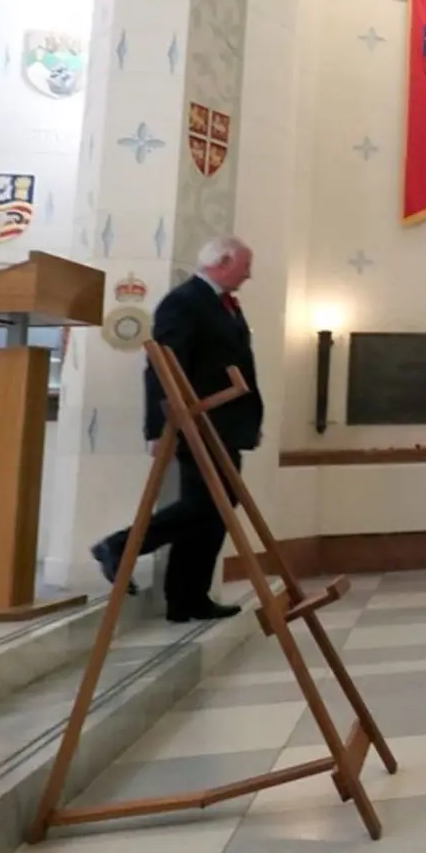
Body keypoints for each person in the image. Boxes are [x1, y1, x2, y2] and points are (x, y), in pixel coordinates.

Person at [91, 236, 260, 622]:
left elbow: (238, 365)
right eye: (245, 266)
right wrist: (158, 428)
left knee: (216, 511)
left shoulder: (223, 304)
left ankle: (188, 598)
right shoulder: (184, 302)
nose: (249, 274)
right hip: (197, 422)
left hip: (225, 424)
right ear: (222, 261)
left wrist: (250, 420)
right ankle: (120, 546)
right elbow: (162, 367)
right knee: (206, 504)